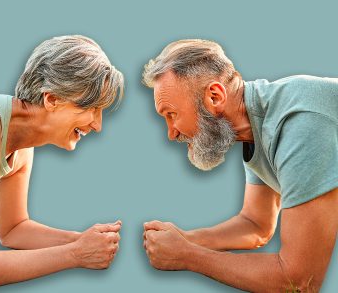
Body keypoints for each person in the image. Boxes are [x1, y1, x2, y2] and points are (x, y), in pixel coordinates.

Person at [142, 39, 338, 292]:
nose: (171, 133)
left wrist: (187, 256)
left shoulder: (299, 125)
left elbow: (299, 282)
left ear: (215, 96)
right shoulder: (253, 126)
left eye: (172, 114)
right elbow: (256, 224)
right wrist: (185, 240)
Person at [0, 35, 124, 290]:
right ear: (52, 99)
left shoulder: (19, 143)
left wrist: (81, 240)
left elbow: (13, 229)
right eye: (91, 107)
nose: (98, 125)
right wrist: (75, 255)